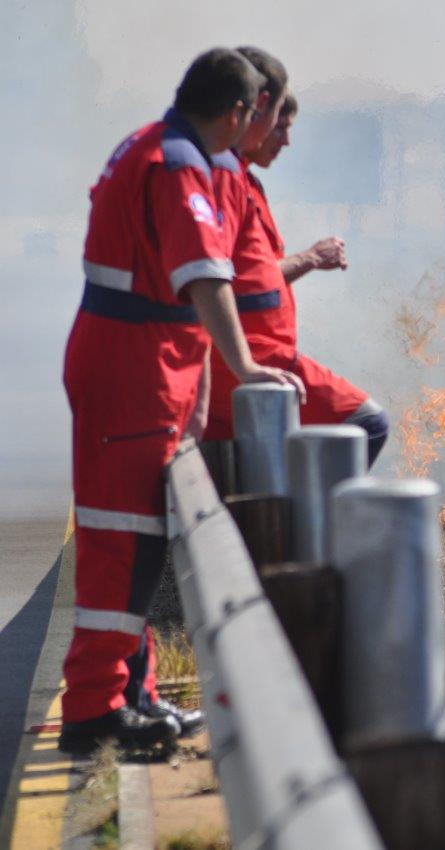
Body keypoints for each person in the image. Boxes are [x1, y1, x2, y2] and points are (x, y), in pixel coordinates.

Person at [60, 49, 306, 755]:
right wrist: (246, 367)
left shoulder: (152, 145)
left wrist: (198, 386)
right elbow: (203, 279)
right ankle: (94, 710)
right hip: (130, 372)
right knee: (123, 546)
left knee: (137, 544)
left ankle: (126, 693)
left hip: (143, 367)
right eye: (253, 116)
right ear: (235, 112)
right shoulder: (179, 165)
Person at [203, 58, 389, 463]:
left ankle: (271, 523)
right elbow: (226, 278)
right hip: (252, 357)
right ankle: (312, 524)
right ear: (254, 113)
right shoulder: (225, 179)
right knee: (369, 425)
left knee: (242, 472)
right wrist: (310, 258)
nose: (283, 140)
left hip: (247, 357)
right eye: (279, 126)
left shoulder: (243, 181)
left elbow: (253, 275)